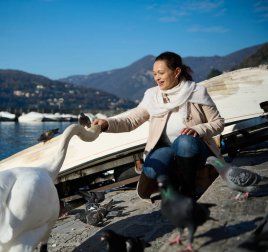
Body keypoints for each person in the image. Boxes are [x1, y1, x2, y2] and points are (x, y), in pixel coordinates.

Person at [92, 51, 224, 199]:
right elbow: (130, 121)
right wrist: (106, 124)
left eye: (160, 73)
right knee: (152, 168)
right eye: (154, 74)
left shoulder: (197, 92)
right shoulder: (152, 96)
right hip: (167, 148)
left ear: (177, 72)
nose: (157, 78)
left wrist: (197, 129)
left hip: (195, 149)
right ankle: (173, 188)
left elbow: (218, 123)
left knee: (184, 142)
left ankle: (188, 191)